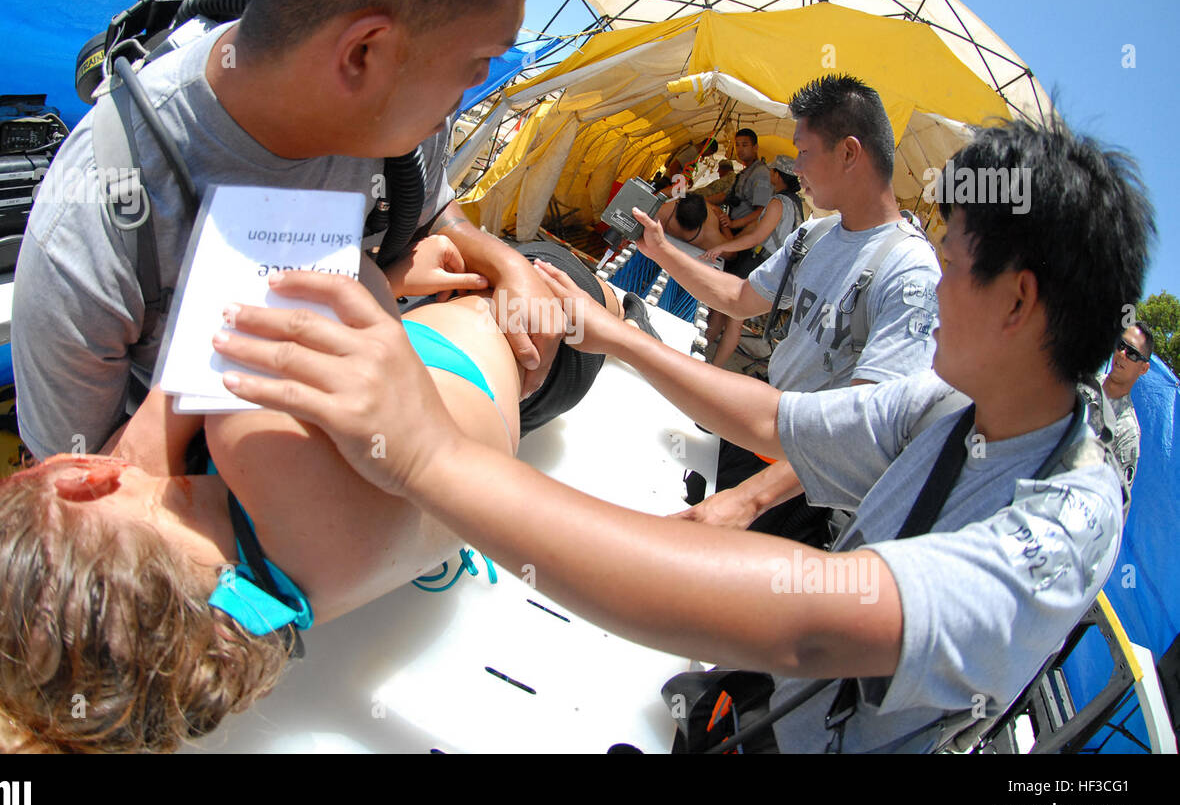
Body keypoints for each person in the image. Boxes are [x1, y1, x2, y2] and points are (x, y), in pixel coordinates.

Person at [214, 115, 1154, 754]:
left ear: (1019, 299)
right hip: (770, 713)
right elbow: (771, 419)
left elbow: (818, 624)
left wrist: (428, 456)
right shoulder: (954, 407)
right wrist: (613, 331)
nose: (936, 292)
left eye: (954, 268)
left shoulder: (1064, 521)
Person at [0, 246, 614, 753]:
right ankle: (617, 304)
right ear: (85, 479)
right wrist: (153, 431)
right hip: (526, 318)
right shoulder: (251, 431)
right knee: (601, 295)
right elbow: (307, 260)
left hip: (534, 401)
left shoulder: (246, 621)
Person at [10, 0, 563, 462]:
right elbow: (78, 489)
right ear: (362, 54)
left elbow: (433, 211)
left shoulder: (398, 117)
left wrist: (507, 265)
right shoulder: (97, 219)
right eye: (477, 62)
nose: (474, 86)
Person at [633, 76, 942, 544]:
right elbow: (738, 298)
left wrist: (751, 499)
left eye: (803, 151)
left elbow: (863, 428)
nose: (796, 167)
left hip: (803, 488)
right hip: (762, 437)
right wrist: (662, 252)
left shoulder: (909, 273)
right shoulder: (815, 238)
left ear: (849, 153)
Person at [698, 155, 806, 369]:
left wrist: (724, 246)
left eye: (772, 172)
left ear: (777, 174)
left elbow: (757, 235)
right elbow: (754, 226)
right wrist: (730, 229)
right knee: (722, 309)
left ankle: (712, 367)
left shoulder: (778, 202)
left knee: (734, 320)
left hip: (758, 264)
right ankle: (700, 352)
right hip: (767, 265)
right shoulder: (795, 204)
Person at [1079, 322, 1152, 510]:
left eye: (1132, 353)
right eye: (1121, 345)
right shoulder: (1082, 382)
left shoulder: (1127, 433)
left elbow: (1114, 506)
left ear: (1143, 368)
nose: (1122, 354)